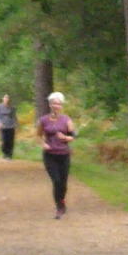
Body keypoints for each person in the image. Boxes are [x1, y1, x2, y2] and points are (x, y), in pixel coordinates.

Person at [37, 91, 76, 219]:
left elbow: (72, 137)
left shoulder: (67, 120)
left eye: (58, 104)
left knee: (63, 183)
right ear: (50, 105)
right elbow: (38, 135)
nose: (56, 106)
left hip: (64, 154)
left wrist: (65, 137)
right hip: (50, 155)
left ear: (61, 106)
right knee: (56, 180)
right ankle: (59, 207)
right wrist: (43, 143)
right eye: (54, 103)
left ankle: (62, 200)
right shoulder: (43, 120)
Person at [0, 94, 18, 160]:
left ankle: (9, 154)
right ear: (3, 99)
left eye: (8, 98)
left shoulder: (12, 107)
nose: (7, 99)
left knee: (10, 141)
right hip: (3, 126)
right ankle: (5, 153)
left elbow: (14, 117)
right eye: (5, 98)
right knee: (4, 141)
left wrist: (16, 125)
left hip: (11, 126)